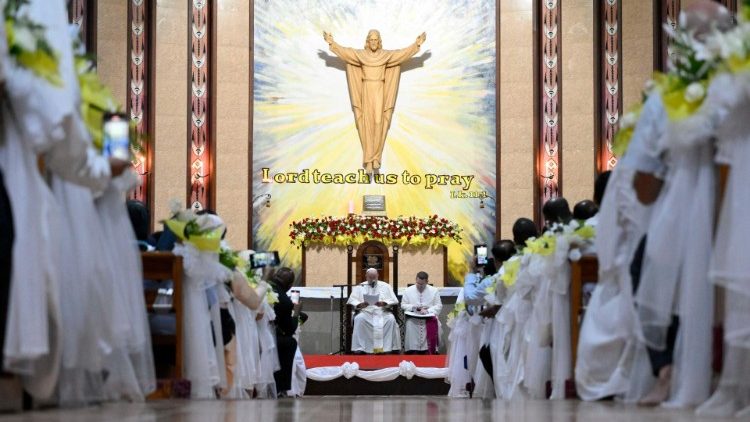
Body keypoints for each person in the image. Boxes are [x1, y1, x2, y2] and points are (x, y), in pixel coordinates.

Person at [323, 29, 426, 173]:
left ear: (379, 42)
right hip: (366, 88)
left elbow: (401, 54)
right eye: (371, 40)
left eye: (375, 40)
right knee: (366, 123)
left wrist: (416, 45)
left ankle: (376, 157)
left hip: (379, 88)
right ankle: (368, 160)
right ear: (367, 41)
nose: (373, 42)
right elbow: (346, 52)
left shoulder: (385, 55)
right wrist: (332, 43)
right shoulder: (361, 55)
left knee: (378, 122)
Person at [347, 268, 401, 354]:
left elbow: (394, 300)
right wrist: (360, 304)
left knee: (391, 319)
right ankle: (361, 348)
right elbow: (352, 300)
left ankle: (388, 348)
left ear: (378, 276)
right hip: (366, 312)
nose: (372, 279)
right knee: (359, 319)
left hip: (383, 312)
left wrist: (384, 303)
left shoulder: (386, 286)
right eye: (370, 277)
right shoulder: (360, 286)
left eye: (374, 277)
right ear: (366, 276)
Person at [271, 267, 301, 396]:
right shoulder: (285, 301)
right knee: (290, 342)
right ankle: (282, 388)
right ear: (290, 286)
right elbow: (289, 329)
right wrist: (297, 313)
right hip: (274, 337)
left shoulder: (269, 287)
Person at [401, 271, 442, 354]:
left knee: (435, 323)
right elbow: (403, 305)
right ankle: (412, 350)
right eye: (418, 283)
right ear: (416, 280)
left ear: (427, 282)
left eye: (422, 284)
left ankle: (429, 350)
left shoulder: (434, 291)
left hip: (429, 317)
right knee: (410, 324)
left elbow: (439, 305)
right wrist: (413, 307)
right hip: (413, 317)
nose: (419, 286)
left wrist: (428, 310)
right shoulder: (408, 290)